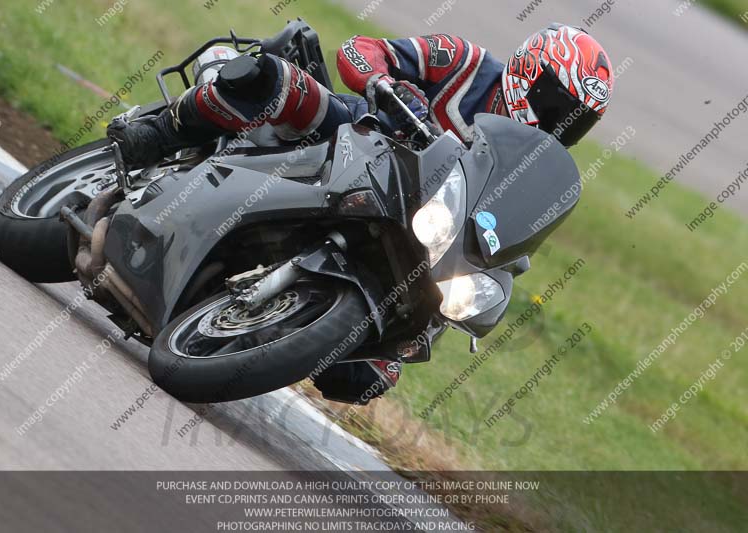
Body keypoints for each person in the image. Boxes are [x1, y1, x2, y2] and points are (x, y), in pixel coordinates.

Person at [108, 23, 614, 404]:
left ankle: (262, 319)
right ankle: (161, 134)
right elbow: (361, 49)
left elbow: (510, 238)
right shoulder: (464, 64)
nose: (558, 122)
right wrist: (383, 82)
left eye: (577, 120)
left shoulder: (529, 168)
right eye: (554, 101)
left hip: (414, 233)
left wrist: (502, 264)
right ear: (529, 72)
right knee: (277, 84)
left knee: (366, 377)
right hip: (357, 139)